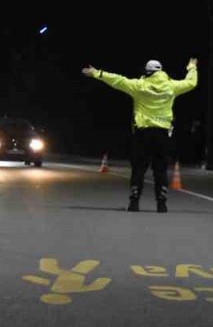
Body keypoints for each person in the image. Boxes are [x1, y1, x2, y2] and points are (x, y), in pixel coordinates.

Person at [82, 58, 198, 212]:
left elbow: (117, 80)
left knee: (138, 168)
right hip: (163, 134)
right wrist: (192, 67)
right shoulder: (172, 87)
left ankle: (134, 202)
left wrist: (97, 73)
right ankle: (161, 203)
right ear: (161, 71)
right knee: (161, 170)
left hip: (142, 133)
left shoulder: (138, 86)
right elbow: (191, 83)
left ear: (147, 72)